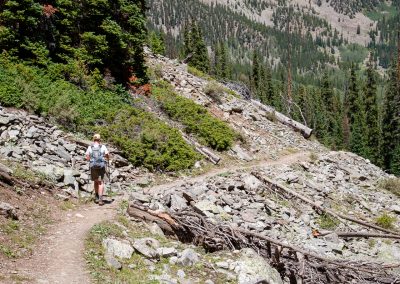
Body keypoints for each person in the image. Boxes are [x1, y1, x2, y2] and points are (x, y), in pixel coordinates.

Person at [85, 134, 109, 205]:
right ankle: (100, 200)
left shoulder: (90, 147)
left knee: (95, 181)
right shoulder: (103, 146)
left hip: (93, 166)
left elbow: (87, 157)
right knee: (100, 182)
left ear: (93, 139)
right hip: (101, 166)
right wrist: (107, 158)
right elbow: (107, 155)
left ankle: (96, 197)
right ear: (99, 140)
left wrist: (91, 160)